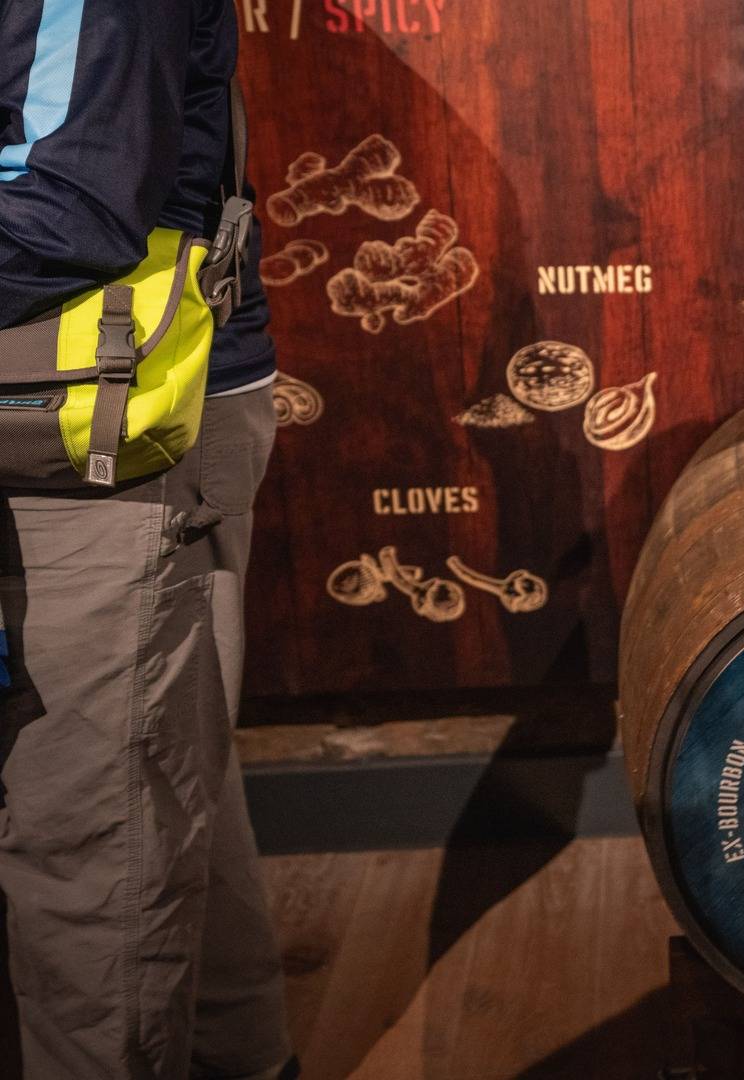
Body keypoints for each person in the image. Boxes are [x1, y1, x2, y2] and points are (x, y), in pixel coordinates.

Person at [0, 1, 295, 1075]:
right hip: (75, 408)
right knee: (153, 788)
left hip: (108, 423)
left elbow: (66, 209)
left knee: (90, 857)